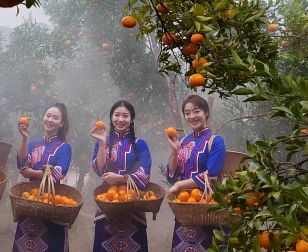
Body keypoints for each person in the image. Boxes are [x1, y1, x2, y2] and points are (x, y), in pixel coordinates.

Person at [165, 95, 227, 252]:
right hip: (184, 209)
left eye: (196, 111)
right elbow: (171, 176)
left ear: (206, 112)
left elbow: (212, 177)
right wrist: (175, 152)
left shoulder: (215, 141)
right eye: (187, 113)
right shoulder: (183, 141)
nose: (192, 116)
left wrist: (181, 184)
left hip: (206, 209)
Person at [89, 100, 152, 252]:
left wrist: (118, 178)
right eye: (117, 115)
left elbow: (145, 174)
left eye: (125, 116)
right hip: (107, 202)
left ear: (132, 119)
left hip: (133, 203)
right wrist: (102, 143)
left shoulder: (140, 144)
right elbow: (99, 170)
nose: (121, 119)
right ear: (111, 117)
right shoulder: (103, 142)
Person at [12, 103, 73, 252]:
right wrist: (25, 138)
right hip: (30, 201)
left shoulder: (64, 147)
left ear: (61, 123)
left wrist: (32, 173)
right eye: (48, 116)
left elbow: (58, 173)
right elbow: (22, 164)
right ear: (43, 118)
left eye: (55, 118)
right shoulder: (33, 145)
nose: (50, 120)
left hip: (52, 203)